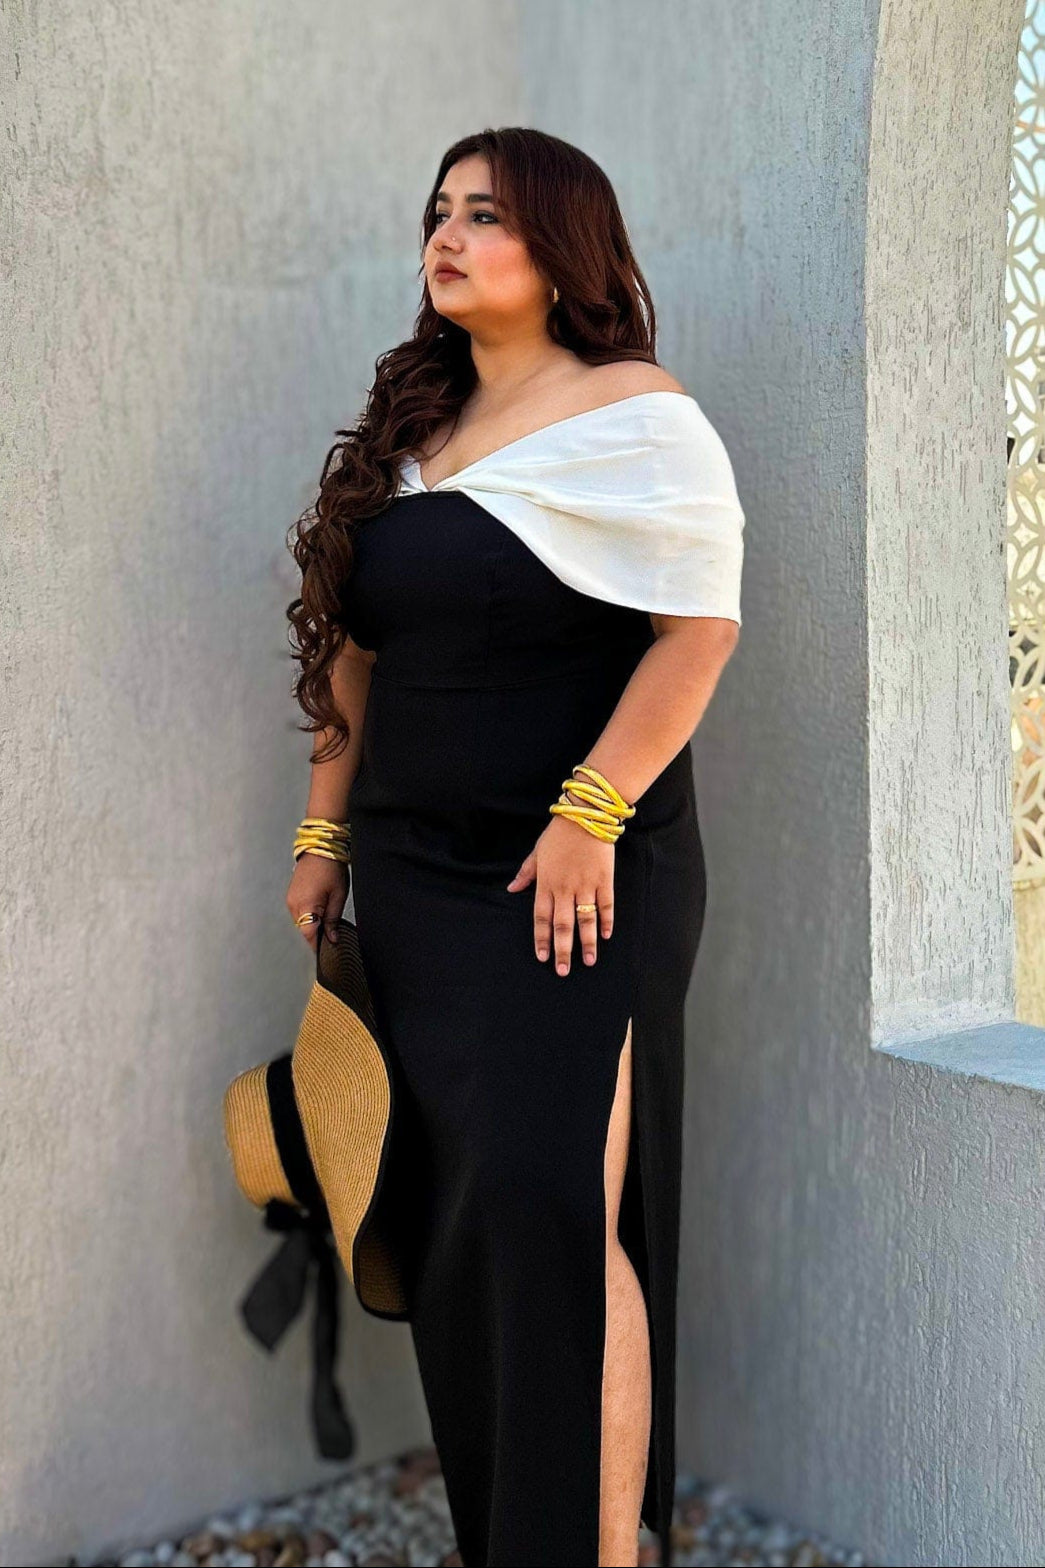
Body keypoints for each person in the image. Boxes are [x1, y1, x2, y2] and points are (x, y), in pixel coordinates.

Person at [283, 126, 745, 1568]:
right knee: (467, 1223)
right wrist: (321, 833)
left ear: (561, 242)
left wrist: (588, 813)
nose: (448, 233)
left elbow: (696, 634)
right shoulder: (413, 432)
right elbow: (355, 656)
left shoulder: (637, 413)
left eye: (485, 213)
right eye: (438, 210)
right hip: (417, 883)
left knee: (552, 1214)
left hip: (573, 881)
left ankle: (596, 1549)